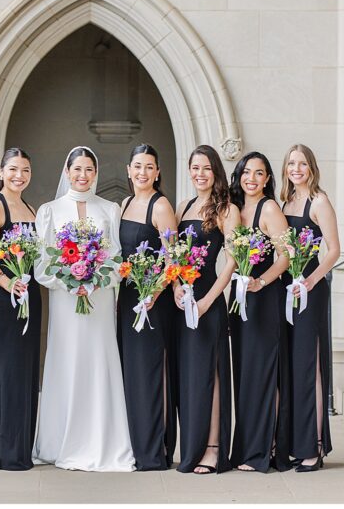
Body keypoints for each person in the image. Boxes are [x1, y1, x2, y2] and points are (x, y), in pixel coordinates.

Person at [32, 146, 135, 472]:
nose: (82, 175)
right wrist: (68, 279)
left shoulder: (110, 209)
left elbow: (118, 257)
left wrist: (94, 278)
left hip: (100, 298)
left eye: (89, 169)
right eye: (77, 168)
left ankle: (101, 438)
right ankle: (59, 440)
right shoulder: (49, 210)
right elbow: (42, 263)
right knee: (67, 359)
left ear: (96, 172)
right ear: (66, 171)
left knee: (97, 359)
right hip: (65, 299)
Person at [173, 145, 240, 474]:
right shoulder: (183, 206)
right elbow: (173, 254)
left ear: (215, 172)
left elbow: (232, 260)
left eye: (206, 169)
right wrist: (174, 287)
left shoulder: (227, 209)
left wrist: (208, 300)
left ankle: (213, 449)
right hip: (184, 300)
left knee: (210, 376)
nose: (199, 174)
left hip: (208, 300)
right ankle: (192, 447)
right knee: (190, 378)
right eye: (194, 168)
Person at [0, 147, 43, 471]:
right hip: (5, 298)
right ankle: (5, 452)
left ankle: (21, 449)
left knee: (25, 372)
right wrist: (8, 283)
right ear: (1, 171)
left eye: (25, 170)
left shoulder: (30, 207)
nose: (19, 175)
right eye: (13, 169)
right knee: (7, 371)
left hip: (30, 296)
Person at [227, 151, 292, 473]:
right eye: (246, 172)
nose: (251, 179)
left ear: (268, 179)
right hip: (241, 299)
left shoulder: (269, 208)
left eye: (259, 173)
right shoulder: (236, 210)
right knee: (244, 375)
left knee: (262, 374)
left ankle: (263, 452)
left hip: (264, 299)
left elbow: (286, 256)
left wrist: (261, 282)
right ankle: (246, 449)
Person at [116, 144, 178, 471]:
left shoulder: (162, 206)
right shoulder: (125, 203)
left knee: (150, 374)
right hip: (128, 299)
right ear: (128, 170)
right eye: (137, 166)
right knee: (131, 373)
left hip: (152, 301)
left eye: (149, 167)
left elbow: (172, 257)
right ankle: (133, 446)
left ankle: (153, 453)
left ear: (157, 172)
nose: (142, 172)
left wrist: (153, 292)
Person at [281, 144, 340, 472]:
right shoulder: (286, 201)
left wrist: (311, 281)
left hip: (309, 290)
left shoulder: (320, 201)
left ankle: (313, 447)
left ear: (312, 167)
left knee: (309, 367)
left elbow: (333, 250)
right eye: (291, 163)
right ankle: (295, 442)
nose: (296, 168)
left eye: (302, 163)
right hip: (286, 291)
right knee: (291, 368)